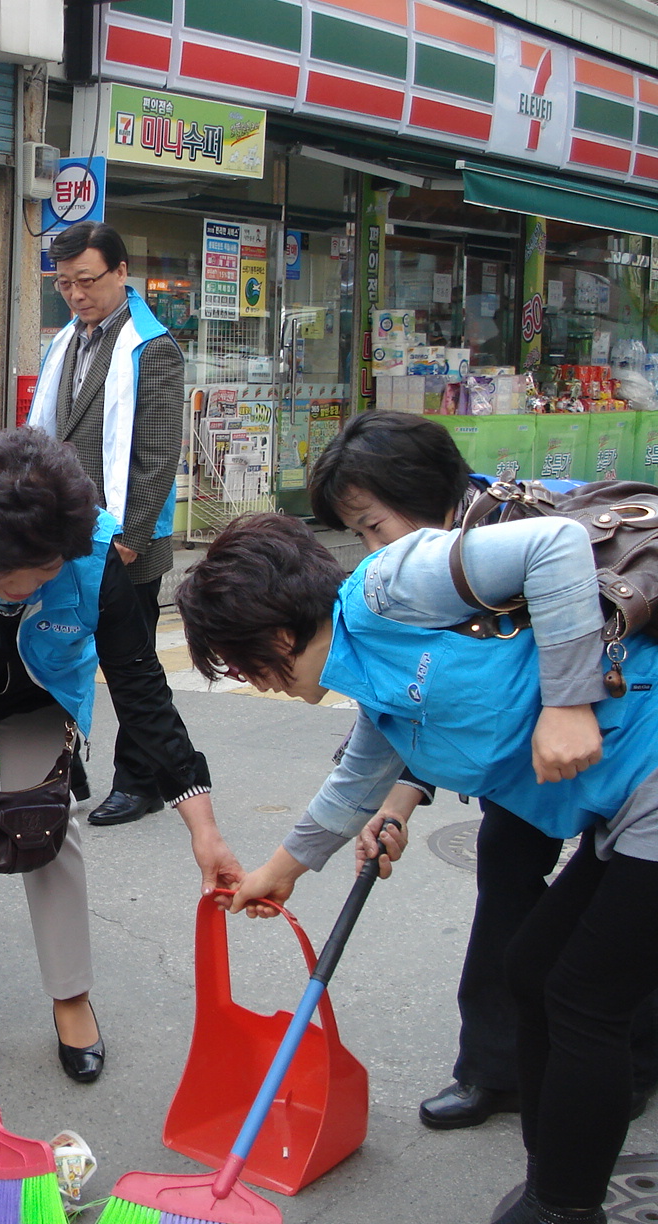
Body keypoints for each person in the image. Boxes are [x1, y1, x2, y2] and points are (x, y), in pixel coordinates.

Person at [175, 509, 658, 1224]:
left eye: (239, 663)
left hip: (650, 773)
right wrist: (280, 870)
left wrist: (568, 701)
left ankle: (562, 1208)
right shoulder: (364, 675)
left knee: (586, 999)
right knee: (532, 968)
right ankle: (555, 1177)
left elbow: (554, 544)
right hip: (626, 803)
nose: (248, 679)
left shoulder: (389, 588)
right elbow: (358, 780)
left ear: (275, 635)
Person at [299, 412, 656, 1130]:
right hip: (525, 758)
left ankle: (624, 1063)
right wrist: (397, 802)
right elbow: (432, 702)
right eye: (358, 534)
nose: (372, 548)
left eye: (374, 524)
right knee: (507, 869)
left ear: (426, 490)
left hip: (617, 736)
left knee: (615, 921)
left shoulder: (490, 541)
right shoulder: (422, 557)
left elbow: (475, 680)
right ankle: (496, 1067)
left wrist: (568, 704)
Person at [0, 427, 245, 1091]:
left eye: (51, 569)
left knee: (49, 826)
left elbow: (141, 688)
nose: (40, 582)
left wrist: (202, 826)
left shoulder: (92, 553)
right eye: (24, 574)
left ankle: (71, 996)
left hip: (38, 698)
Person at [26, 221, 186, 828]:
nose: (76, 294)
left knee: (130, 664)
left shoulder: (152, 348)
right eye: (65, 283)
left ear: (121, 272)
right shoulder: (68, 340)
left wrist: (130, 539)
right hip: (68, 530)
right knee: (56, 649)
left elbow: (157, 456)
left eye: (87, 281)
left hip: (124, 539)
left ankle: (142, 780)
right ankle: (63, 766)